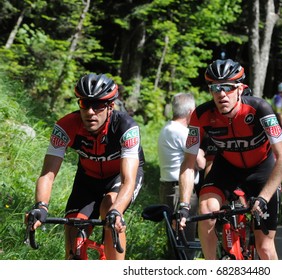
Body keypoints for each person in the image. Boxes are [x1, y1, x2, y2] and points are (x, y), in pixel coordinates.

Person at [177, 58, 282, 260]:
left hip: (262, 170)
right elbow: (188, 163)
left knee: (264, 247)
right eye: (215, 88)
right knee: (206, 211)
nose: (221, 94)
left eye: (227, 87)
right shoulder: (200, 115)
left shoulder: (260, 109)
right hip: (226, 168)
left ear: (240, 88)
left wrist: (264, 197)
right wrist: (184, 205)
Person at [27, 73, 144, 260]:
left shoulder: (126, 127)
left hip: (119, 177)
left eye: (97, 105)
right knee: (74, 228)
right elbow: (47, 174)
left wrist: (117, 211)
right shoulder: (65, 127)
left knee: (109, 208)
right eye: (84, 104)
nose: (90, 112)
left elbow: (128, 181)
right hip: (88, 178)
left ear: (110, 106)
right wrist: (41, 207)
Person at [157, 92, 206, 259]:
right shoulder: (182, 132)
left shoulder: (167, 128)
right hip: (181, 191)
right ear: (191, 112)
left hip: (168, 189)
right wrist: (201, 152)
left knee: (174, 241)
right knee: (185, 243)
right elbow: (200, 163)